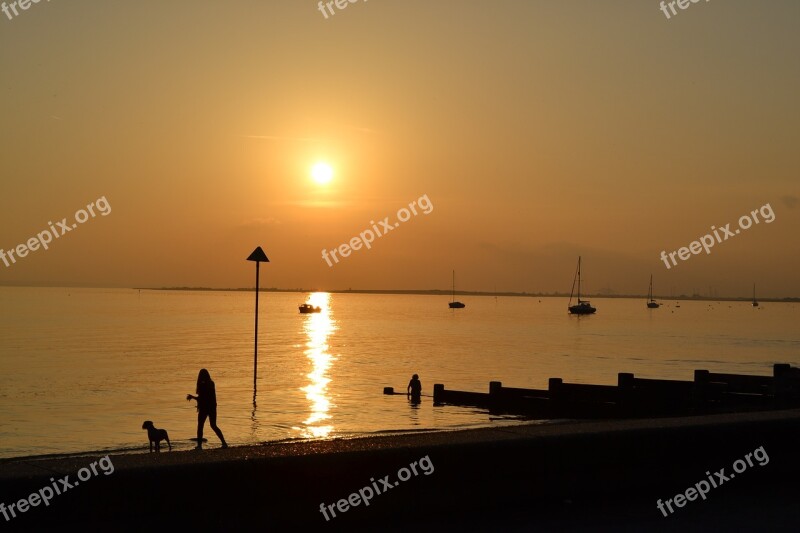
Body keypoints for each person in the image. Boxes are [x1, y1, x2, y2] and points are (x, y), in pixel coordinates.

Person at [186, 368, 228, 449]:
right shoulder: (211, 383)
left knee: (200, 426)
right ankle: (224, 443)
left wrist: (192, 397)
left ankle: (199, 446)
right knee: (213, 425)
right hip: (212, 407)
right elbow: (208, 397)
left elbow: (201, 398)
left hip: (204, 408)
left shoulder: (202, 385)